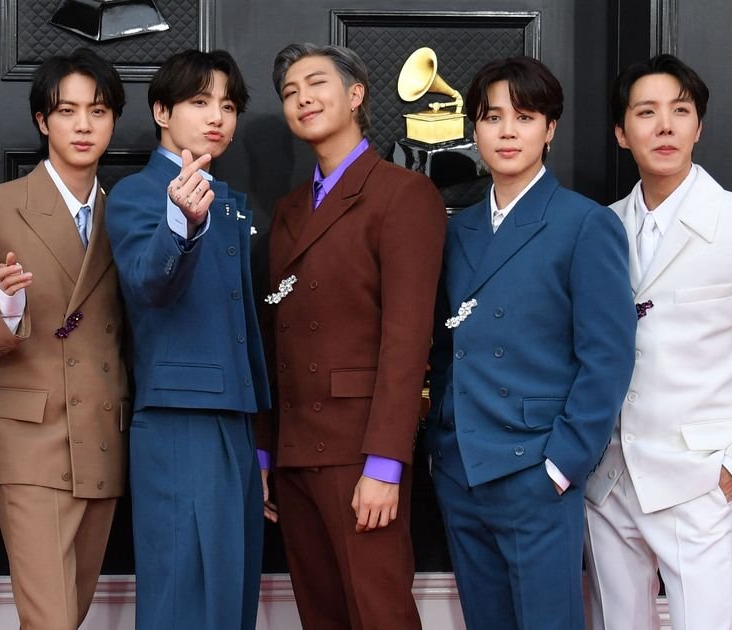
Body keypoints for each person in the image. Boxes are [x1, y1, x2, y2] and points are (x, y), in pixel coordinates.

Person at [425, 56, 636, 629]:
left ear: (550, 128)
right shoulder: (458, 229)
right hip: (462, 466)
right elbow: (445, 346)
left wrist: (562, 465)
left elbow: (608, 358)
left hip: (535, 467)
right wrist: (441, 442)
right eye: (493, 117)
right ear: (475, 130)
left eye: (524, 117)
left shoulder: (584, 223)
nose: (508, 131)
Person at [257, 43, 444, 630]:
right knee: (322, 617)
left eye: (316, 84)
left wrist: (385, 464)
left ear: (356, 94)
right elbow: (272, 333)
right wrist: (264, 450)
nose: (302, 98)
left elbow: (407, 340)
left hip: (361, 452)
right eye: (290, 92)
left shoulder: (402, 193)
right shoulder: (288, 209)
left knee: (379, 614)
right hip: (294, 453)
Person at [0, 47, 128, 629]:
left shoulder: (127, 216)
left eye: (97, 111)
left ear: (113, 120)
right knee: (50, 619)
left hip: (102, 433)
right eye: (67, 111)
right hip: (28, 438)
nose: (83, 125)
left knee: (69, 616)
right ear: (41, 120)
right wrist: (5, 306)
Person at [105, 48, 269, 630]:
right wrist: (182, 222)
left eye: (228, 105)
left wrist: (259, 440)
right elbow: (149, 283)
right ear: (161, 112)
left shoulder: (228, 200)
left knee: (230, 594)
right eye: (200, 102)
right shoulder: (136, 194)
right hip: (179, 417)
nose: (216, 116)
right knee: (183, 594)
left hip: (235, 417)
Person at [583, 53, 732, 630]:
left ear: (699, 126)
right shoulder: (600, 227)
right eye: (646, 112)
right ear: (622, 133)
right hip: (608, 480)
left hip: (698, 478)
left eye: (680, 111)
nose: (664, 126)